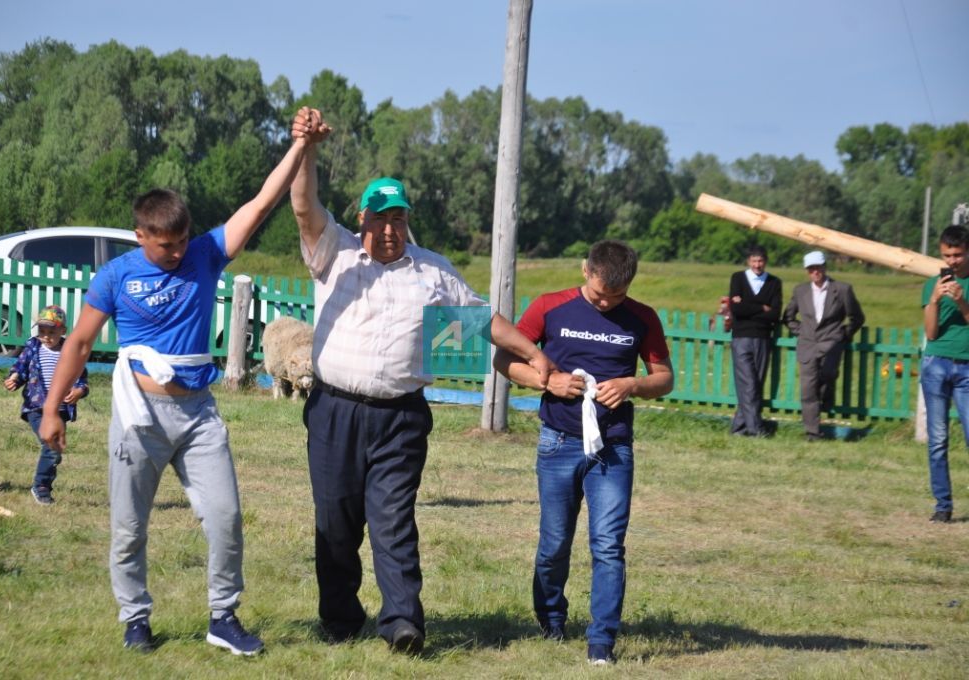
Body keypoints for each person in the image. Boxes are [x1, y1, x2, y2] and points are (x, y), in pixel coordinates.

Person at [37, 109, 326, 655]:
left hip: (198, 415)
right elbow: (76, 344)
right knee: (129, 528)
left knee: (226, 517)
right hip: (139, 418)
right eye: (164, 244)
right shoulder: (116, 275)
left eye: (182, 241)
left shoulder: (205, 254)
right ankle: (135, 618)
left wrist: (299, 146)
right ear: (139, 234)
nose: (175, 253)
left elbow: (260, 204)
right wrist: (52, 409)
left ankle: (223, 616)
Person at [289, 106, 554, 655]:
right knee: (336, 524)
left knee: (393, 520)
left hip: (400, 418)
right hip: (334, 411)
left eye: (399, 219)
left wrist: (531, 353)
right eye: (380, 217)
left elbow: (481, 325)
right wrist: (307, 148)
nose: (389, 229)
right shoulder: (331, 252)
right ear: (362, 218)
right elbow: (302, 204)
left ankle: (403, 622)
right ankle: (340, 619)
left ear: (407, 222)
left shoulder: (433, 272)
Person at [494, 240, 674, 666]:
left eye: (617, 296)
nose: (607, 302)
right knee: (555, 543)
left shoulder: (643, 318)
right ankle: (551, 619)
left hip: (613, 449)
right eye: (599, 294)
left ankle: (601, 642)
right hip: (558, 442)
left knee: (609, 545)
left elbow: (664, 378)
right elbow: (506, 360)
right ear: (584, 271)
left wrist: (632, 385)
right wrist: (546, 382)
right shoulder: (549, 307)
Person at [4, 305, 89, 505]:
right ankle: (41, 487)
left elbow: (81, 379)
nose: (46, 336)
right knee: (51, 447)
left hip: (60, 411)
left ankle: (46, 475)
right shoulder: (33, 347)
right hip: (36, 407)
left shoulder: (70, 351)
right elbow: (21, 367)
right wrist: (14, 378)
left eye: (52, 331)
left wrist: (79, 391)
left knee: (55, 450)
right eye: (42, 331)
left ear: (63, 331)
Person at [783, 251, 865, 441]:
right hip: (807, 345)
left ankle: (826, 400)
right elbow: (788, 317)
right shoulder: (800, 290)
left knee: (828, 374)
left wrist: (843, 334)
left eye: (818, 267)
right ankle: (812, 432)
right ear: (807, 271)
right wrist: (801, 331)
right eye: (811, 269)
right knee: (807, 389)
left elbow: (857, 317)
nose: (815, 272)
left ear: (825, 267)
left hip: (831, 343)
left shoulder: (842, 289)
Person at [919, 225, 969, 523]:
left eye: (958, 255)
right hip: (936, 364)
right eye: (947, 255)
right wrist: (936, 300)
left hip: (967, 366)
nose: (952, 261)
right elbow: (931, 332)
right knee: (937, 439)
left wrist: (962, 300)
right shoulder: (932, 284)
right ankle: (943, 505)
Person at [728, 246, 782, 437]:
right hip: (741, 336)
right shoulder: (738, 278)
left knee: (755, 384)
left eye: (760, 261)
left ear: (765, 261)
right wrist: (762, 308)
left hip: (763, 338)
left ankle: (738, 427)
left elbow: (776, 314)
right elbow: (736, 310)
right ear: (748, 262)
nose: (757, 265)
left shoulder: (774, 282)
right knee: (748, 382)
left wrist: (747, 306)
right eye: (753, 261)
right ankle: (755, 428)